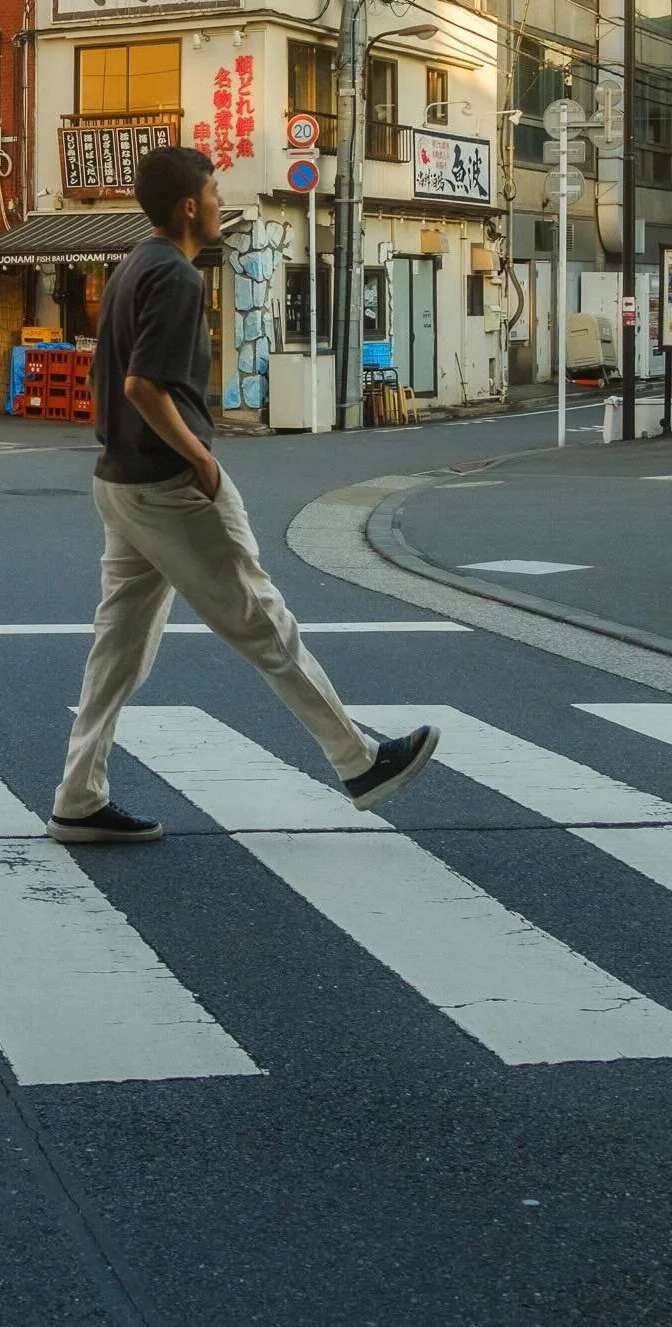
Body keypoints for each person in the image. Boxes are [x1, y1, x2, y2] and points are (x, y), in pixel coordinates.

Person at [51, 143, 438, 845]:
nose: (220, 201)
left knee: (119, 650)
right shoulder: (176, 275)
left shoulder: (132, 264)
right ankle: (358, 762)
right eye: (213, 191)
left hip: (120, 483)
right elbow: (143, 386)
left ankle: (78, 797)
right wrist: (200, 457)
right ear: (188, 206)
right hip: (169, 485)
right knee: (262, 621)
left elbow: (121, 383)